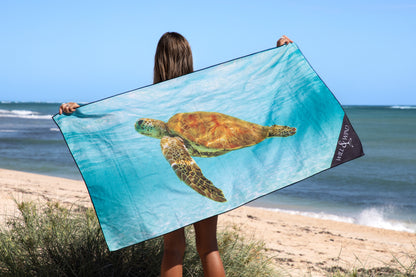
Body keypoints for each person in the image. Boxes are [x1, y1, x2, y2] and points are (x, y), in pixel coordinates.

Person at [59, 32, 292, 277]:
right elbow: (246, 83)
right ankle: (268, 132)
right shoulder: (202, 89)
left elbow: (116, 117)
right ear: (188, 58)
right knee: (209, 248)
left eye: (145, 126)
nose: (143, 127)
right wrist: (278, 55)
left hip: (169, 183)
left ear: (158, 61)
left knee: (173, 249)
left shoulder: (149, 100)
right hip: (204, 166)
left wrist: (79, 113)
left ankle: (267, 134)